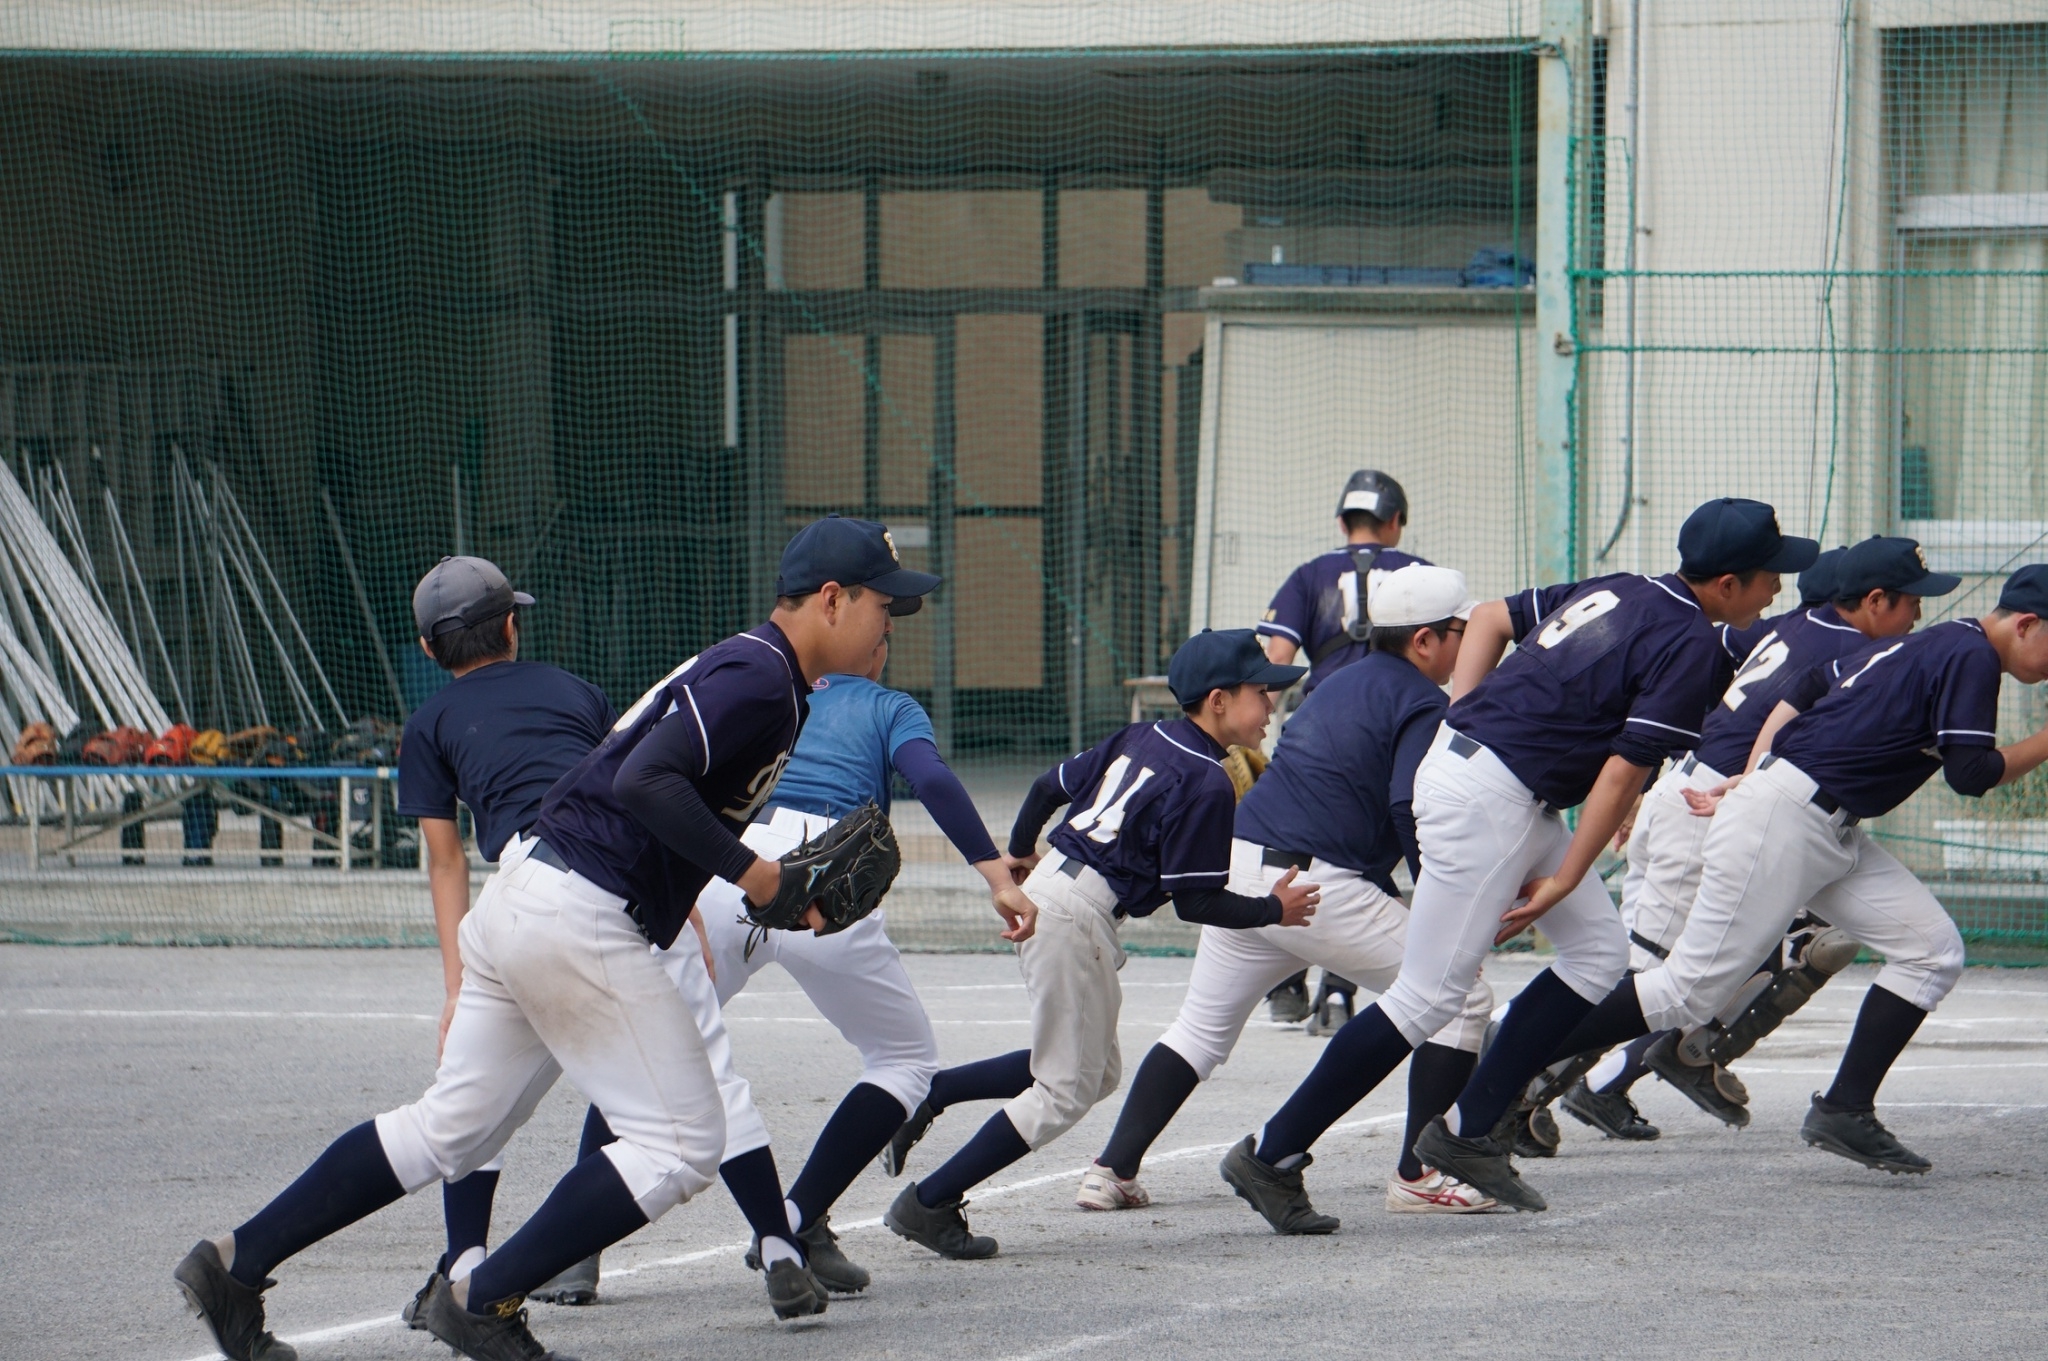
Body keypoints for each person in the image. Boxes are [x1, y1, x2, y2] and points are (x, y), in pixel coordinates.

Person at [172, 516, 929, 1361]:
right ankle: (482, 1298)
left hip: (528, 897)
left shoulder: (756, 668)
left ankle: (235, 1264)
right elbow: (644, 778)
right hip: (578, 907)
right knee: (683, 1142)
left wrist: (717, 896)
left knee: (450, 1128)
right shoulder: (762, 674)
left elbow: (631, 781)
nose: (890, 625)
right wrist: (761, 877)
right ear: (832, 600)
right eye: (883, 606)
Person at [1217, 498, 1810, 1224]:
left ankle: (1470, 1129)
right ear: (1725, 584)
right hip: (1488, 797)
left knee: (1597, 954)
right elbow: (1622, 772)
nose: (1775, 589)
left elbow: (1493, 616)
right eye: (1765, 578)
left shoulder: (1620, 585)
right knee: (1426, 997)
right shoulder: (1688, 636)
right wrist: (1562, 873)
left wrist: (1466, 713)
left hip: (1507, 791)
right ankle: (1274, 1150)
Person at [553, 627, 1031, 1300]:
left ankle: (576, 1254)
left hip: (737, 867)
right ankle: (796, 1221)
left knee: (651, 1041)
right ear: (878, 645)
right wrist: (994, 872)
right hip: (824, 886)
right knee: (905, 1059)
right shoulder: (890, 706)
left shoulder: (777, 690)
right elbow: (931, 778)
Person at [1545, 562, 2048, 1175]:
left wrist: (1755, 772)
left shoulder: (1933, 642)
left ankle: (1844, 1108)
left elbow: (1809, 684)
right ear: (2026, 624)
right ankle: (1512, 1059)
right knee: (1683, 990)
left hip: (1819, 821)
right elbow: (1973, 775)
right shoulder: (1969, 654)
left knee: (1931, 950)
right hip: (1787, 819)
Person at [1080, 566, 1499, 1229]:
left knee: (1199, 1031)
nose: (1469, 643)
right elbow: (1404, 804)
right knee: (1462, 995)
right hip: (1311, 883)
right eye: (1459, 631)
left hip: (1244, 860)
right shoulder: (1422, 699)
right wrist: (1438, 896)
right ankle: (1418, 1172)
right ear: (1423, 641)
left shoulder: (1338, 680)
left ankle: (1111, 1170)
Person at [880, 628, 1319, 1259]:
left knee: (1096, 1069)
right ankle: (931, 1203)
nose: (1271, 705)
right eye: (1261, 692)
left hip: (1060, 890)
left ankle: (937, 1092)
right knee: (1066, 1088)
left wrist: (1025, 854)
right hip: (1076, 915)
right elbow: (1197, 902)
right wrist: (1274, 907)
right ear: (1218, 700)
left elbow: (1044, 788)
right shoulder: (1209, 778)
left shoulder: (1143, 736)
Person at [393, 557, 615, 1307]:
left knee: (468, 1093)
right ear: (513, 625)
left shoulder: (428, 723)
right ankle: (780, 1241)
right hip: (611, 889)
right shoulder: (577, 691)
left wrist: (458, 987)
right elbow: (637, 790)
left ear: (429, 650)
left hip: (517, 897)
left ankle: (465, 1262)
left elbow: (446, 859)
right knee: (642, 1086)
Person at [1255, 469, 1421, 1023]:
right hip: (1393, 730)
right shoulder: (1418, 573)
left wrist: (1255, 733)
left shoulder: (1311, 574)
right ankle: (1338, 992)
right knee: (1367, 852)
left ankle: (1285, 987)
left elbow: (1276, 658)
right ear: (1395, 522)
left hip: (1318, 728)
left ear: (1341, 521)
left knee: (1296, 850)